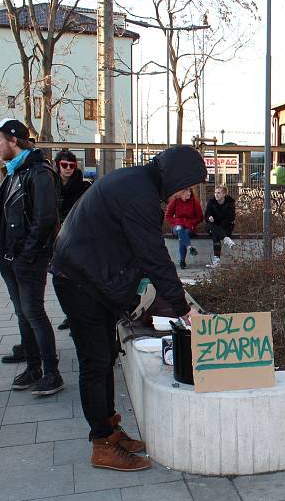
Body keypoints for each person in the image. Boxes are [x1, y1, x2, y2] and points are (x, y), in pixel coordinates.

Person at [52, 146, 205, 471]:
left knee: (106, 354)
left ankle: (110, 429)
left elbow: (138, 252)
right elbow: (153, 255)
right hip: (79, 281)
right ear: (176, 175)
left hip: (90, 278)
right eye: (187, 185)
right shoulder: (141, 195)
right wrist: (182, 307)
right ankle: (101, 443)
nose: (185, 194)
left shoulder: (138, 183)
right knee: (95, 363)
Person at [0, 119, 63, 395]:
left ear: (14, 141)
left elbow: (45, 218)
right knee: (23, 313)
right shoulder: (15, 171)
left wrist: (27, 254)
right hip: (10, 256)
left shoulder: (39, 172)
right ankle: (33, 368)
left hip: (27, 258)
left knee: (34, 313)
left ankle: (52, 373)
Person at [54, 150, 91, 331]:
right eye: (64, 165)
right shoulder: (51, 184)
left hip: (77, 238)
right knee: (60, 282)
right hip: (57, 239)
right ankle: (70, 315)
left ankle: (77, 318)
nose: (68, 168)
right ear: (58, 165)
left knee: (76, 281)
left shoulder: (83, 186)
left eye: (72, 165)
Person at [165, 187, 203, 268]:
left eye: (190, 192)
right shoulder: (174, 201)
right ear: (181, 193)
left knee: (183, 234)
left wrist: (190, 222)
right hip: (177, 226)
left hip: (190, 227)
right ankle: (189, 247)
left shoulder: (195, 202)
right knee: (179, 229)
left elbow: (200, 217)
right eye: (187, 192)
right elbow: (168, 216)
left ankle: (182, 260)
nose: (189, 193)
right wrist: (177, 222)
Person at [204, 185, 236, 268]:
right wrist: (209, 217)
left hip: (226, 226)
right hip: (212, 225)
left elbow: (231, 218)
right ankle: (226, 239)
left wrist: (218, 226)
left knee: (216, 235)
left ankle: (217, 261)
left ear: (224, 194)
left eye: (219, 193)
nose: (216, 194)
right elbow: (207, 214)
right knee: (210, 227)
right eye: (215, 192)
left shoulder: (230, 203)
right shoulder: (211, 202)